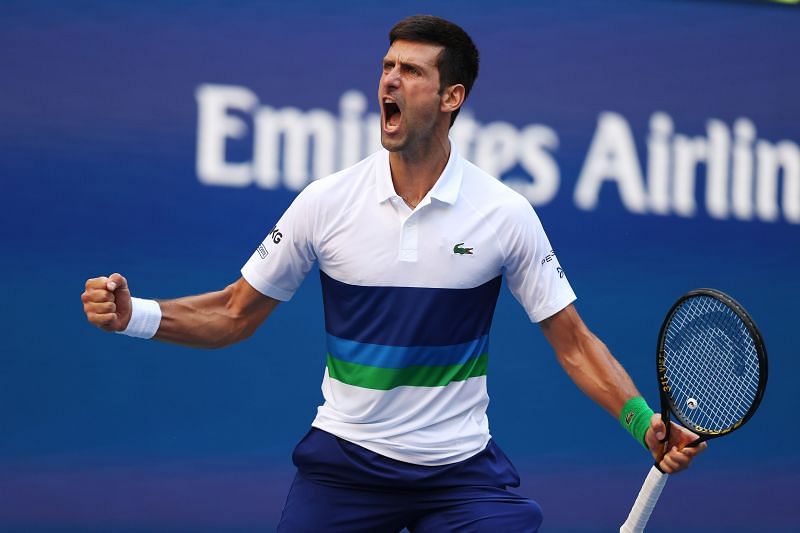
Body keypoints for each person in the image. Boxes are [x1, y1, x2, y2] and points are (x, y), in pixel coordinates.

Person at [81, 15, 705, 532]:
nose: (389, 80)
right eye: (386, 67)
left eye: (410, 71)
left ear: (450, 97)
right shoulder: (325, 203)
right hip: (345, 466)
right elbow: (234, 312)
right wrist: (135, 316)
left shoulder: (504, 215)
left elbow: (574, 344)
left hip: (459, 474)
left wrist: (639, 421)